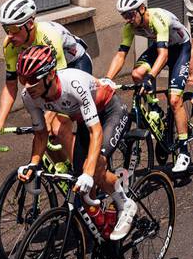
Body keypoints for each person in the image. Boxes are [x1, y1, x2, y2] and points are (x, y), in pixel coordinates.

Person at [14, 42, 137, 243]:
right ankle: (103, 236)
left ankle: (125, 204)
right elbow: (41, 134)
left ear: (50, 74)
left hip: (110, 112)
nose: (27, 85)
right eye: (22, 79)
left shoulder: (73, 84)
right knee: (82, 186)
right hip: (84, 121)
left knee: (95, 166)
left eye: (32, 80)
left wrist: (89, 172)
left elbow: (95, 131)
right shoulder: (30, 96)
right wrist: (33, 164)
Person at [0, 0, 91, 160]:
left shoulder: (49, 37)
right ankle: (61, 167)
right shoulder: (10, 45)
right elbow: (11, 86)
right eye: (6, 29)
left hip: (74, 66)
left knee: (58, 128)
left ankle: (84, 170)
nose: (10, 35)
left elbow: (60, 84)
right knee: (44, 133)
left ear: (30, 24)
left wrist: (48, 116)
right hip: (46, 77)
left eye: (14, 28)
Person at [106, 0, 193, 173]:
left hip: (179, 48)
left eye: (130, 14)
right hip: (161, 46)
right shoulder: (129, 27)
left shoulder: (158, 18)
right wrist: (107, 80)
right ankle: (154, 108)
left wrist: (151, 78)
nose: (128, 19)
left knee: (175, 100)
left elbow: (164, 55)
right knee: (137, 74)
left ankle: (184, 151)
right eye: (124, 16)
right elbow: (121, 54)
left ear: (142, 9)